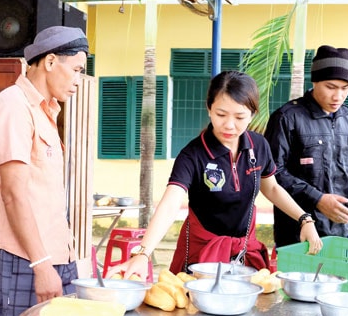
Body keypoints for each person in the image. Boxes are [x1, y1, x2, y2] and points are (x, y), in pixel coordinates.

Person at [108, 71, 322, 280]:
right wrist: (143, 253)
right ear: (209, 108)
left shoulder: (259, 146)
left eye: (240, 117)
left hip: (242, 255)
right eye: (221, 114)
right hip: (201, 257)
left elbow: (272, 188)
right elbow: (170, 203)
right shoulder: (193, 155)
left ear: (252, 114)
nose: (229, 125)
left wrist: (305, 219)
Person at [0, 26, 88, 316]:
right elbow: (13, 194)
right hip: (22, 259)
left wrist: (62, 261)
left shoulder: (45, 111)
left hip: (51, 258)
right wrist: (41, 264)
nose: (78, 81)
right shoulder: (13, 106)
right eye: (76, 70)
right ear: (51, 61)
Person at [264, 45, 348, 249]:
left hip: (340, 231)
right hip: (297, 234)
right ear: (315, 81)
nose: (338, 96)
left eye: (345, 88)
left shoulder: (346, 117)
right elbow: (274, 174)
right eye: (330, 87)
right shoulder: (287, 117)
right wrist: (317, 199)